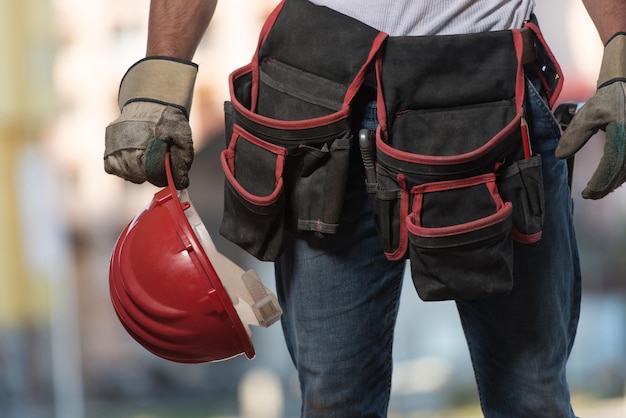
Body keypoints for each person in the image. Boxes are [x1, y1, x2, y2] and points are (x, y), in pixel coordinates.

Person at [103, 0, 626, 417]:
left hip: (490, 100)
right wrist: (160, 85)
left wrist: (621, 57)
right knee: (335, 401)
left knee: (530, 397)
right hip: (318, 104)